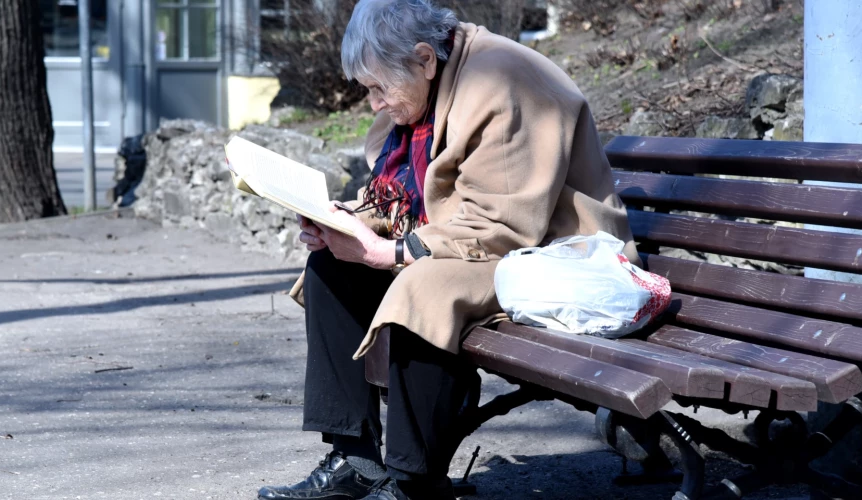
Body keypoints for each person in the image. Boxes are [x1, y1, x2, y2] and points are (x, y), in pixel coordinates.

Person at [258, 1, 637, 499]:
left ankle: (415, 482)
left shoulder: (500, 81)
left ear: (423, 58)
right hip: (499, 244)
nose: (373, 104)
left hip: (555, 256)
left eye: (377, 88)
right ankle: (355, 460)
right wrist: (349, 224)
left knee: (426, 284)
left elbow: (501, 223)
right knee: (332, 264)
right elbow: (415, 196)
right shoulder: (431, 83)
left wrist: (389, 253)